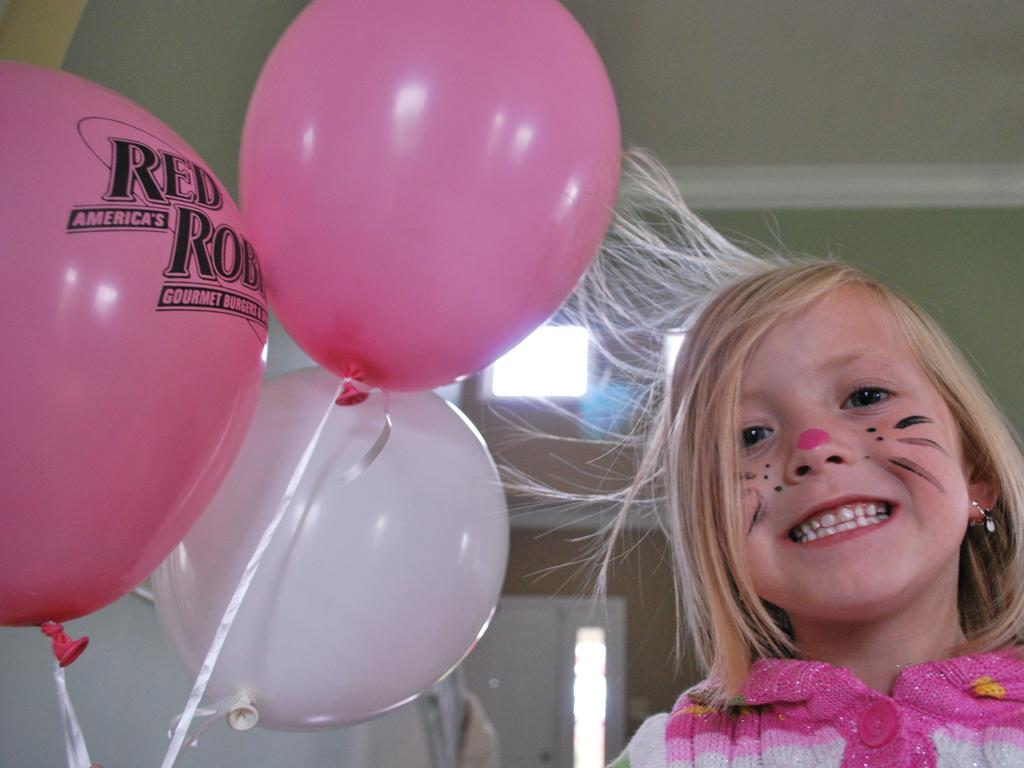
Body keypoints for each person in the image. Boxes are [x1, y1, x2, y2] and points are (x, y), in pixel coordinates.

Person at [575, 154, 1024, 767]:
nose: (814, 447)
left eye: (866, 397)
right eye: (751, 434)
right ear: (717, 531)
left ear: (978, 477)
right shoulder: (668, 756)